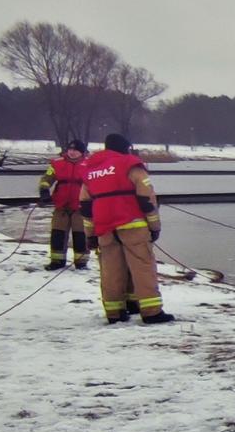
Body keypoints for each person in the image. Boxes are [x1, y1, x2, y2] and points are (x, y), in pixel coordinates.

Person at [80, 133, 174, 324]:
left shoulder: (91, 170)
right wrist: (154, 226)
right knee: (142, 267)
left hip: (105, 227)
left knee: (111, 271)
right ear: (125, 147)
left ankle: (114, 313)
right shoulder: (130, 165)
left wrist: (90, 234)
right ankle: (151, 312)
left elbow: (85, 205)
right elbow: (146, 198)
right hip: (132, 224)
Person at [38, 139, 91, 270]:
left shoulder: (90, 165)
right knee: (58, 234)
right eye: (70, 149)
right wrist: (44, 191)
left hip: (80, 207)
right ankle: (57, 261)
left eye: (75, 150)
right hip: (61, 206)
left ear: (82, 152)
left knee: (80, 235)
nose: (72, 152)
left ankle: (81, 262)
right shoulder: (57, 163)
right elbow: (46, 178)